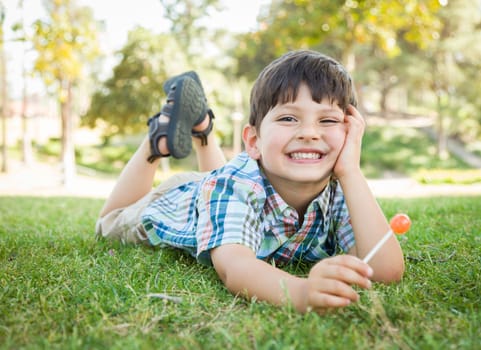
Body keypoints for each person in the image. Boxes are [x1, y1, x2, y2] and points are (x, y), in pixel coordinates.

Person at [96, 50, 405, 314]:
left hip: (220, 187)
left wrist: (351, 171)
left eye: (328, 120)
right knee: (108, 225)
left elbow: (386, 271)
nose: (310, 132)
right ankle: (157, 140)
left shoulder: (340, 188)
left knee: (223, 183)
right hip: (178, 201)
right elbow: (235, 266)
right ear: (254, 141)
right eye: (288, 118)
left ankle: (202, 125)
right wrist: (300, 291)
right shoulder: (233, 185)